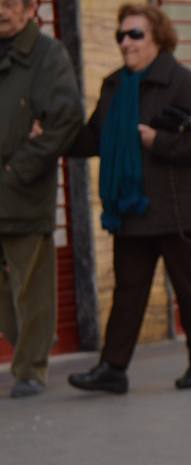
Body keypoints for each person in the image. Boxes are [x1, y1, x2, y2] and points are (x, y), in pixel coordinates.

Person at [63, 4, 191, 396]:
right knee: (128, 290)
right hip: (132, 208)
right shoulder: (115, 85)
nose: (125, 43)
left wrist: (160, 142)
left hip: (180, 207)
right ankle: (112, 368)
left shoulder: (185, 82)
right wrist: (53, 136)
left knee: (190, 288)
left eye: (135, 34)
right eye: (121, 35)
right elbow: (95, 137)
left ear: (158, 38)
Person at [0, 0, 80, 399]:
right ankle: (28, 349)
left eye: (9, 3)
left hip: (23, 189)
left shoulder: (48, 55)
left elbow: (65, 118)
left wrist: (20, 169)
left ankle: (31, 367)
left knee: (31, 285)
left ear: (31, 8)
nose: (0, 11)